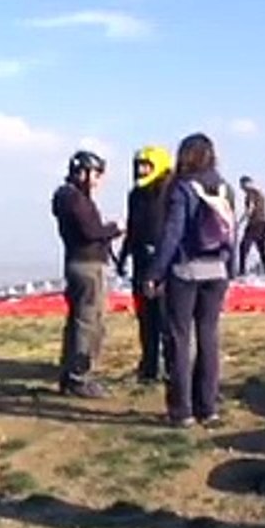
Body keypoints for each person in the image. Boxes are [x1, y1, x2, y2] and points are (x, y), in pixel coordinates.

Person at [145, 133, 237, 428]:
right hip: (217, 271)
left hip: (185, 271)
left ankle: (181, 410)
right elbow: (232, 232)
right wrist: (230, 269)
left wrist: (155, 272)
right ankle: (208, 407)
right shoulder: (225, 188)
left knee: (180, 339)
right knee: (209, 337)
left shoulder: (182, 188)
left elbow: (172, 234)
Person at [52, 150, 122, 398]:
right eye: (96, 174)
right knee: (89, 323)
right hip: (87, 266)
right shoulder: (75, 199)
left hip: (79, 263)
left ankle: (70, 374)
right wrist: (113, 229)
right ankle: (79, 378)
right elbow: (91, 231)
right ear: (83, 172)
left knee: (78, 321)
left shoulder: (69, 197)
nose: (97, 181)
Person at [116, 145, 174, 383]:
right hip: (141, 262)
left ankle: (173, 369)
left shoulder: (171, 192)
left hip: (164, 265)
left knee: (166, 320)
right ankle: (148, 368)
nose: (141, 170)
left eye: (146, 166)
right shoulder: (135, 195)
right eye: (138, 166)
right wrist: (123, 256)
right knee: (146, 318)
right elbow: (133, 228)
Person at [237, 176, 265, 275]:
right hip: (264, 223)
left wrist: (239, 222)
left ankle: (241, 271)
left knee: (243, 247)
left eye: (241, 184)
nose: (241, 187)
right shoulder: (259, 193)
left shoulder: (250, 194)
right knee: (262, 248)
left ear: (246, 184)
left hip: (255, 223)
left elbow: (250, 208)